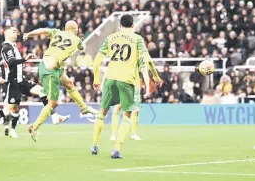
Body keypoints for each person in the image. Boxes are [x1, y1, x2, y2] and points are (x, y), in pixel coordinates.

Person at [91, 14, 161, 158]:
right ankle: (116, 149)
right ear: (133, 26)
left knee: (102, 112)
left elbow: (97, 61)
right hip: (127, 80)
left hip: (110, 78)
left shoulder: (110, 38)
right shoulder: (137, 39)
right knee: (127, 114)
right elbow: (147, 60)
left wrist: (96, 79)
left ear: (120, 25)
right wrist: (155, 75)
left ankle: (95, 145)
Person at [23, 20, 98, 141]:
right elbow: (82, 47)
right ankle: (34, 127)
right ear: (76, 29)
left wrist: (28, 34)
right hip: (50, 70)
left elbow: (42, 30)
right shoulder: (77, 39)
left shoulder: (56, 32)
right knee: (53, 103)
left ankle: (84, 108)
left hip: (52, 66)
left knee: (69, 84)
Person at [0, 56, 70, 132]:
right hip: (11, 85)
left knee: (42, 91)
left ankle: (54, 116)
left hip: (22, 81)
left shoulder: (16, 53)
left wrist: (26, 59)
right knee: (7, 111)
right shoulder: (2, 57)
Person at [110, 57, 150, 141]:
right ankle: (114, 134)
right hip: (122, 82)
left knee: (136, 110)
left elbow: (145, 72)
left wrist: (148, 86)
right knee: (118, 107)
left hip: (135, 85)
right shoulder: (123, 54)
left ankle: (133, 134)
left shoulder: (139, 57)